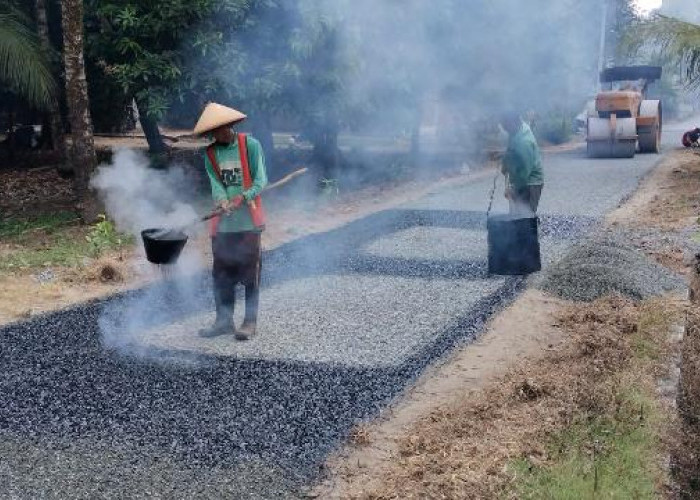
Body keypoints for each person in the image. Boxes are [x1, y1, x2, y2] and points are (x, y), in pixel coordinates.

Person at [193, 103, 268, 340]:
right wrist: (223, 201)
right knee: (221, 274)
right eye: (213, 131)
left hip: (248, 223)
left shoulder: (250, 145)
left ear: (230, 125)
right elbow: (216, 183)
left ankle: (249, 322)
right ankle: (223, 321)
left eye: (222, 128)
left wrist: (243, 197)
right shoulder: (211, 153)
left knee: (250, 273)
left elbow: (260, 180)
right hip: (223, 225)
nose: (218, 134)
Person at [500, 112, 544, 216]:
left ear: (513, 122)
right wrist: (505, 162)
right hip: (522, 179)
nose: (504, 128)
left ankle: (526, 231)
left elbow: (524, 174)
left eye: (505, 125)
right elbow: (511, 151)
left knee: (524, 218)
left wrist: (511, 189)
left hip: (529, 184)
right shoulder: (516, 130)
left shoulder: (524, 143)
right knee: (515, 217)